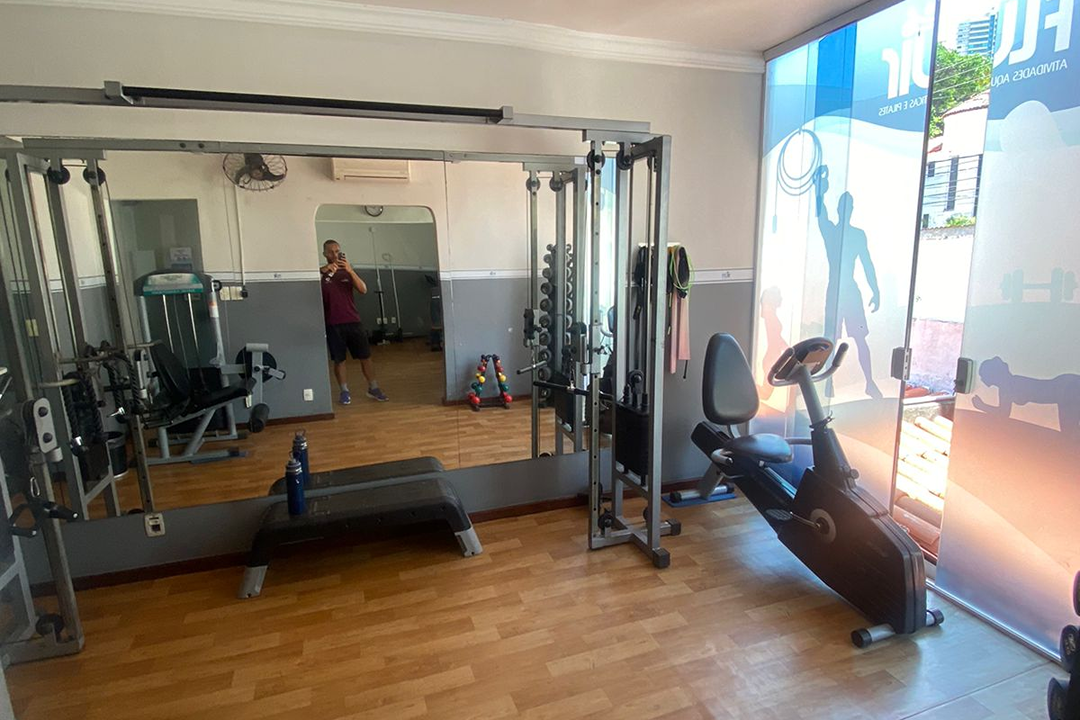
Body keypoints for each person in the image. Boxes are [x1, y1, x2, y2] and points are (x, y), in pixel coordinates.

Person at [812, 165, 882, 399]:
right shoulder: (832, 232)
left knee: (860, 338)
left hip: (850, 291)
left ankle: (869, 382)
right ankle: (828, 383)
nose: (846, 210)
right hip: (836, 290)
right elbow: (821, 216)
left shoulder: (857, 234)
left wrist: (875, 290)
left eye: (849, 206)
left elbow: (867, 264)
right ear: (839, 209)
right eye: (843, 206)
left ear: (851, 209)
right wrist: (819, 192)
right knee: (831, 339)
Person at [320, 239, 388, 404]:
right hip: (333, 323)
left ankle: (373, 388)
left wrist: (350, 271)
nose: (334, 254)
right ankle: (344, 391)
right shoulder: (320, 274)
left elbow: (363, 289)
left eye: (337, 251)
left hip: (353, 320)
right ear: (325, 254)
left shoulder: (347, 272)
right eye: (331, 252)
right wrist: (323, 270)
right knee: (339, 360)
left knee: (365, 356)